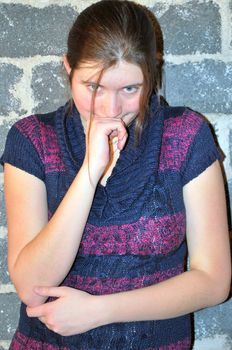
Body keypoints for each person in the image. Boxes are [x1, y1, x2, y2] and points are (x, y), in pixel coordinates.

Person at [1, 1, 231, 349]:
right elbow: (32, 286)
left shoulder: (185, 136)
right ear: (68, 68)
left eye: (130, 89)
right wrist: (89, 175)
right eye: (94, 87)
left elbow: (214, 281)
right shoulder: (32, 140)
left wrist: (100, 310)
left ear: (151, 75)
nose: (110, 110)